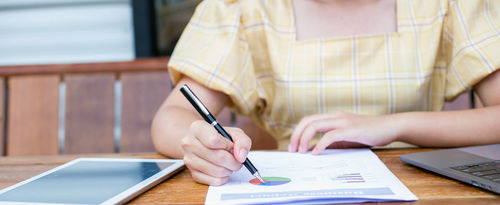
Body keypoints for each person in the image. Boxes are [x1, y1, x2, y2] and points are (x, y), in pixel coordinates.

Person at [152, 0, 500, 185]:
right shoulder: (243, 8)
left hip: (428, 193)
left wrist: (394, 125)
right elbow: (171, 119)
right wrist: (203, 144)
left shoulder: (450, 4)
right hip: (292, 199)